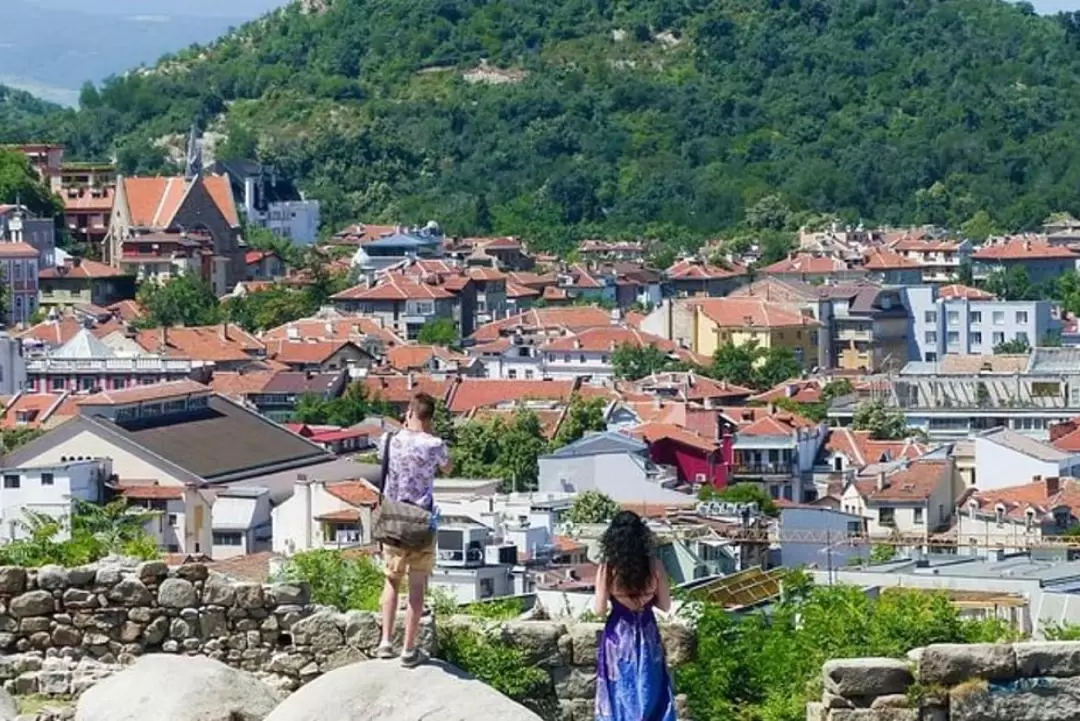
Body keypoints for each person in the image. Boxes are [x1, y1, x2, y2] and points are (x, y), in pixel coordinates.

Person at [375, 392, 450, 667]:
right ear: (430, 417)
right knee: (417, 586)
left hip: (394, 515)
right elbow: (448, 466)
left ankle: (385, 642)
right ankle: (408, 649)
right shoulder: (435, 444)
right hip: (420, 519)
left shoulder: (389, 440)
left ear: (409, 412)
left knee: (391, 580)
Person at [593, 510, 677, 721]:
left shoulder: (608, 568)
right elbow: (666, 605)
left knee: (619, 688)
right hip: (647, 632)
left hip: (619, 635)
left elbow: (599, 609)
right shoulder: (654, 566)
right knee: (651, 686)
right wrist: (647, 601)